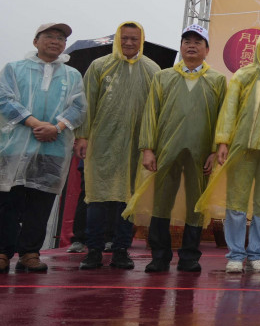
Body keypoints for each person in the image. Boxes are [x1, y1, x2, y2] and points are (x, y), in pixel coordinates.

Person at [123, 24, 226, 272]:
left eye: (197, 42)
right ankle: (159, 256)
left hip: (201, 153)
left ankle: (190, 257)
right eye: (187, 41)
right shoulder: (164, 76)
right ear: (180, 47)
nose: (191, 45)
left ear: (207, 49)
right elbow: (151, 114)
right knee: (161, 202)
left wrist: (215, 150)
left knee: (196, 204)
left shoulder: (217, 80)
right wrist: (148, 149)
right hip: (165, 151)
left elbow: (223, 118)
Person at [196, 30, 260, 274]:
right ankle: (235, 254)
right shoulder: (243, 76)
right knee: (237, 201)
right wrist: (223, 142)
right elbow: (229, 110)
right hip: (243, 149)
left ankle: (257, 254)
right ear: (258, 48)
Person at [0, 23, 85, 273]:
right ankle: (3, 252)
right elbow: (4, 99)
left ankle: (30, 253)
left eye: (60, 38)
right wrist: (35, 123)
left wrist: (56, 128)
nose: (55, 41)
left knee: (41, 204)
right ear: (36, 40)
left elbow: (79, 108)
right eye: (49, 36)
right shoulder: (14, 69)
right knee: (8, 203)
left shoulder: (72, 75)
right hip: (15, 147)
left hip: (53, 148)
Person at [74, 21, 158, 271]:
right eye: (125, 38)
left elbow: (155, 111)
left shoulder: (152, 69)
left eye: (134, 38)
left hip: (136, 146)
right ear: (117, 39)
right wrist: (83, 136)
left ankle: (121, 250)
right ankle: (94, 251)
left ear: (141, 40)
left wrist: (149, 146)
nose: (129, 43)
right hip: (102, 143)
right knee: (97, 198)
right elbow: (86, 102)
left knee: (128, 200)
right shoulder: (100, 66)